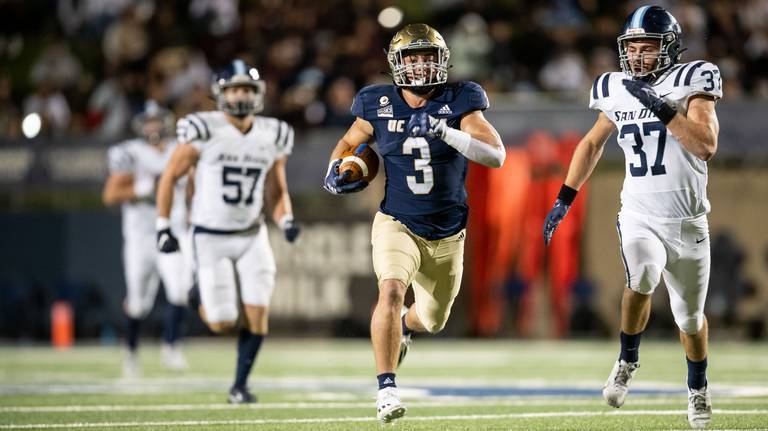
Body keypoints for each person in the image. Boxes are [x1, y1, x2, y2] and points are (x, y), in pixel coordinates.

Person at [542, 5, 721, 429]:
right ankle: (627, 359)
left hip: (690, 221)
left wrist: (660, 107)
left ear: (670, 48)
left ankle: (698, 388)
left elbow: (705, 144)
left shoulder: (694, 78)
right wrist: (564, 198)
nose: (639, 56)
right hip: (639, 212)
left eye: (649, 47)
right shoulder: (615, 86)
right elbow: (591, 143)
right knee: (641, 275)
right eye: (633, 48)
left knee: (690, 318)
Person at [323, 23, 505, 423]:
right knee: (389, 290)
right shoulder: (376, 102)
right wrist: (337, 169)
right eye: (412, 57)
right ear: (396, 63)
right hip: (397, 222)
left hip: (448, 233)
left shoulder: (461, 99)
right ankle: (386, 388)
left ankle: (406, 325)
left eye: (428, 57)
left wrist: (444, 130)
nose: (421, 66)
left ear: (442, 61)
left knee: (433, 320)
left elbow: (496, 156)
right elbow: (350, 143)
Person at [155, 59, 301, 404]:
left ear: (258, 93)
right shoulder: (203, 129)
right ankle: (198, 296)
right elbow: (169, 177)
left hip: (252, 234)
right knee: (221, 322)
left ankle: (239, 386)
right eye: (234, 88)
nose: (240, 95)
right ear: (221, 94)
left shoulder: (273, 134)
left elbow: (276, 189)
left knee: (259, 311)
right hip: (209, 236)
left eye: (247, 89)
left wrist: (286, 220)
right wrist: (163, 226)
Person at [102, 100, 192, 377]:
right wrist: (143, 188)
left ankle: (171, 346)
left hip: (174, 228)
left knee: (179, 289)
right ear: (140, 126)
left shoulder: (180, 150)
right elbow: (110, 196)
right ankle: (130, 352)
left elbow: (193, 185)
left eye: (158, 121)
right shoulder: (129, 152)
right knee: (139, 302)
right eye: (148, 121)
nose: (154, 126)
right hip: (141, 235)